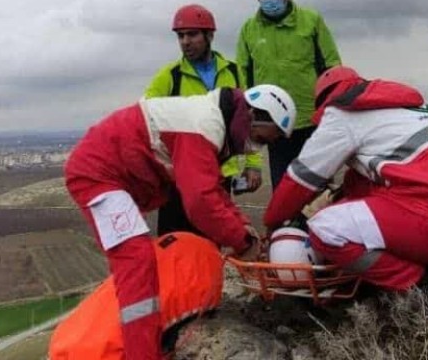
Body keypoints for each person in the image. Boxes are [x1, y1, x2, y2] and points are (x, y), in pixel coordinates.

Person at [65, 84, 296, 360]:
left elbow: (214, 190)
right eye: (262, 139)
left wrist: (241, 225)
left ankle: (140, 342)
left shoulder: (215, 123)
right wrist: (241, 241)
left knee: (140, 264)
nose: (256, 147)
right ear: (254, 116)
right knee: (136, 261)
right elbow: (200, 202)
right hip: (98, 175)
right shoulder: (204, 125)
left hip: (115, 176)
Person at [263, 67, 428, 292]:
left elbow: (301, 179)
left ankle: (424, 286)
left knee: (326, 230)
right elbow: (363, 186)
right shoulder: (411, 110)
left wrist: (272, 224)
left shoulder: (342, 114)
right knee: (357, 206)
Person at [145, 3, 263, 236]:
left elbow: (248, 120)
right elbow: (146, 119)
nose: (185, 42)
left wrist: (253, 164)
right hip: (179, 176)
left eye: (192, 34)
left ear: (210, 35)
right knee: (176, 242)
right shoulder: (170, 76)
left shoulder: (233, 71)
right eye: (180, 36)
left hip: (220, 172)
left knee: (211, 240)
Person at [236, 0, 341, 189]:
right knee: (283, 189)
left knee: (318, 191)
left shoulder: (311, 21)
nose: (271, 0)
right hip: (274, 127)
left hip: (312, 122)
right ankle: (286, 225)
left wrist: (332, 112)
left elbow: (332, 67)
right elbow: (243, 79)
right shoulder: (248, 30)